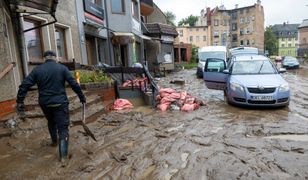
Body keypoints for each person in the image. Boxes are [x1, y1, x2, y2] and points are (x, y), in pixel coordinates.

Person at [16, 50, 86, 165]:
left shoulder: (37, 70)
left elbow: (24, 86)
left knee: (51, 122)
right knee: (63, 128)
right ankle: (63, 157)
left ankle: (54, 142)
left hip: (45, 104)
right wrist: (82, 98)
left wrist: (20, 102)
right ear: (55, 58)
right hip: (60, 103)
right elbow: (74, 84)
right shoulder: (62, 69)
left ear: (44, 58)